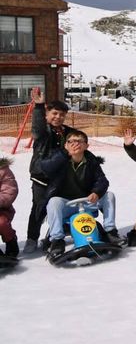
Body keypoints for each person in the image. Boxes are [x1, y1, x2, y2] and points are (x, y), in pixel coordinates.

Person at [42, 130, 120, 255]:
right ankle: (57, 240)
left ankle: (111, 231)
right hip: (66, 204)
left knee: (109, 196)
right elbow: (46, 168)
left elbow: (102, 180)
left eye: (79, 141)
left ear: (86, 146)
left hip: (87, 202)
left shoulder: (91, 161)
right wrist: (64, 155)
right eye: (71, 141)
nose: (75, 144)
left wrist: (96, 192)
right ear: (65, 145)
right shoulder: (59, 159)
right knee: (53, 202)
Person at [23, 88, 74, 254]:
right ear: (47, 114)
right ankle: (31, 239)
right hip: (41, 177)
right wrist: (38, 107)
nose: (58, 117)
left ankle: (54, 235)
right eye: (55, 113)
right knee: (39, 207)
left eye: (61, 114)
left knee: (57, 207)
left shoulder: (67, 131)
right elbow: (37, 127)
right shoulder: (43, 131)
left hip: (61, 176)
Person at [0, 154, 19, 258]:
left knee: (1, 223)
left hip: (2, 209)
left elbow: (9, 191)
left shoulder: (3, 170)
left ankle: (11, 241)